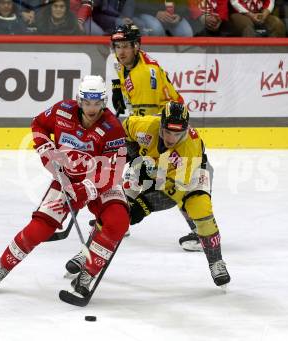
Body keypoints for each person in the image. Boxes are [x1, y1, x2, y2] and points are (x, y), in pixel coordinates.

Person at [0, 75, 130, 298]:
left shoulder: (112, 128)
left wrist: (87, 189)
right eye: (87, 103)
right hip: (67, 179)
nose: (92, 109)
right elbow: (39, 124)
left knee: (118, 221)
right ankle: (3, 266)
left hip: (101, 183)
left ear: (104, 102)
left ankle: (88, 273)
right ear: (80, 101)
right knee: (40, 227)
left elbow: (113, 171)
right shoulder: (62, 111)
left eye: (97, 103)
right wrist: (46, 150)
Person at [67, 102, 231, 288]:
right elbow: (122, 130)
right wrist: (130, 154)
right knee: (117, 207)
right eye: (168, 132)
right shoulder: (145, 126)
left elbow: (175, 192)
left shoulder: (189, 149)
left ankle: (216, 261)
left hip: (190, 179)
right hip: (149, 166)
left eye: (177, 134)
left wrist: (143, 206)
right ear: (160, 125)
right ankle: (89, 250)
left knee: (202, 213)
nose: (172, 138)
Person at [109, 24, 202, 251]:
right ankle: (121, 219)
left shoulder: (142, 76)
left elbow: (148, 122)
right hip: (157, 124)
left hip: (168, 129)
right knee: (134, 173)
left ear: (136, 46)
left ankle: (200, 232)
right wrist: (116, 88)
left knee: (174, 181)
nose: (120, 51)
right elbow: (121, 74)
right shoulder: (128, 62)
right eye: (117, 46)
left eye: (125, 47)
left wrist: (140, 151)